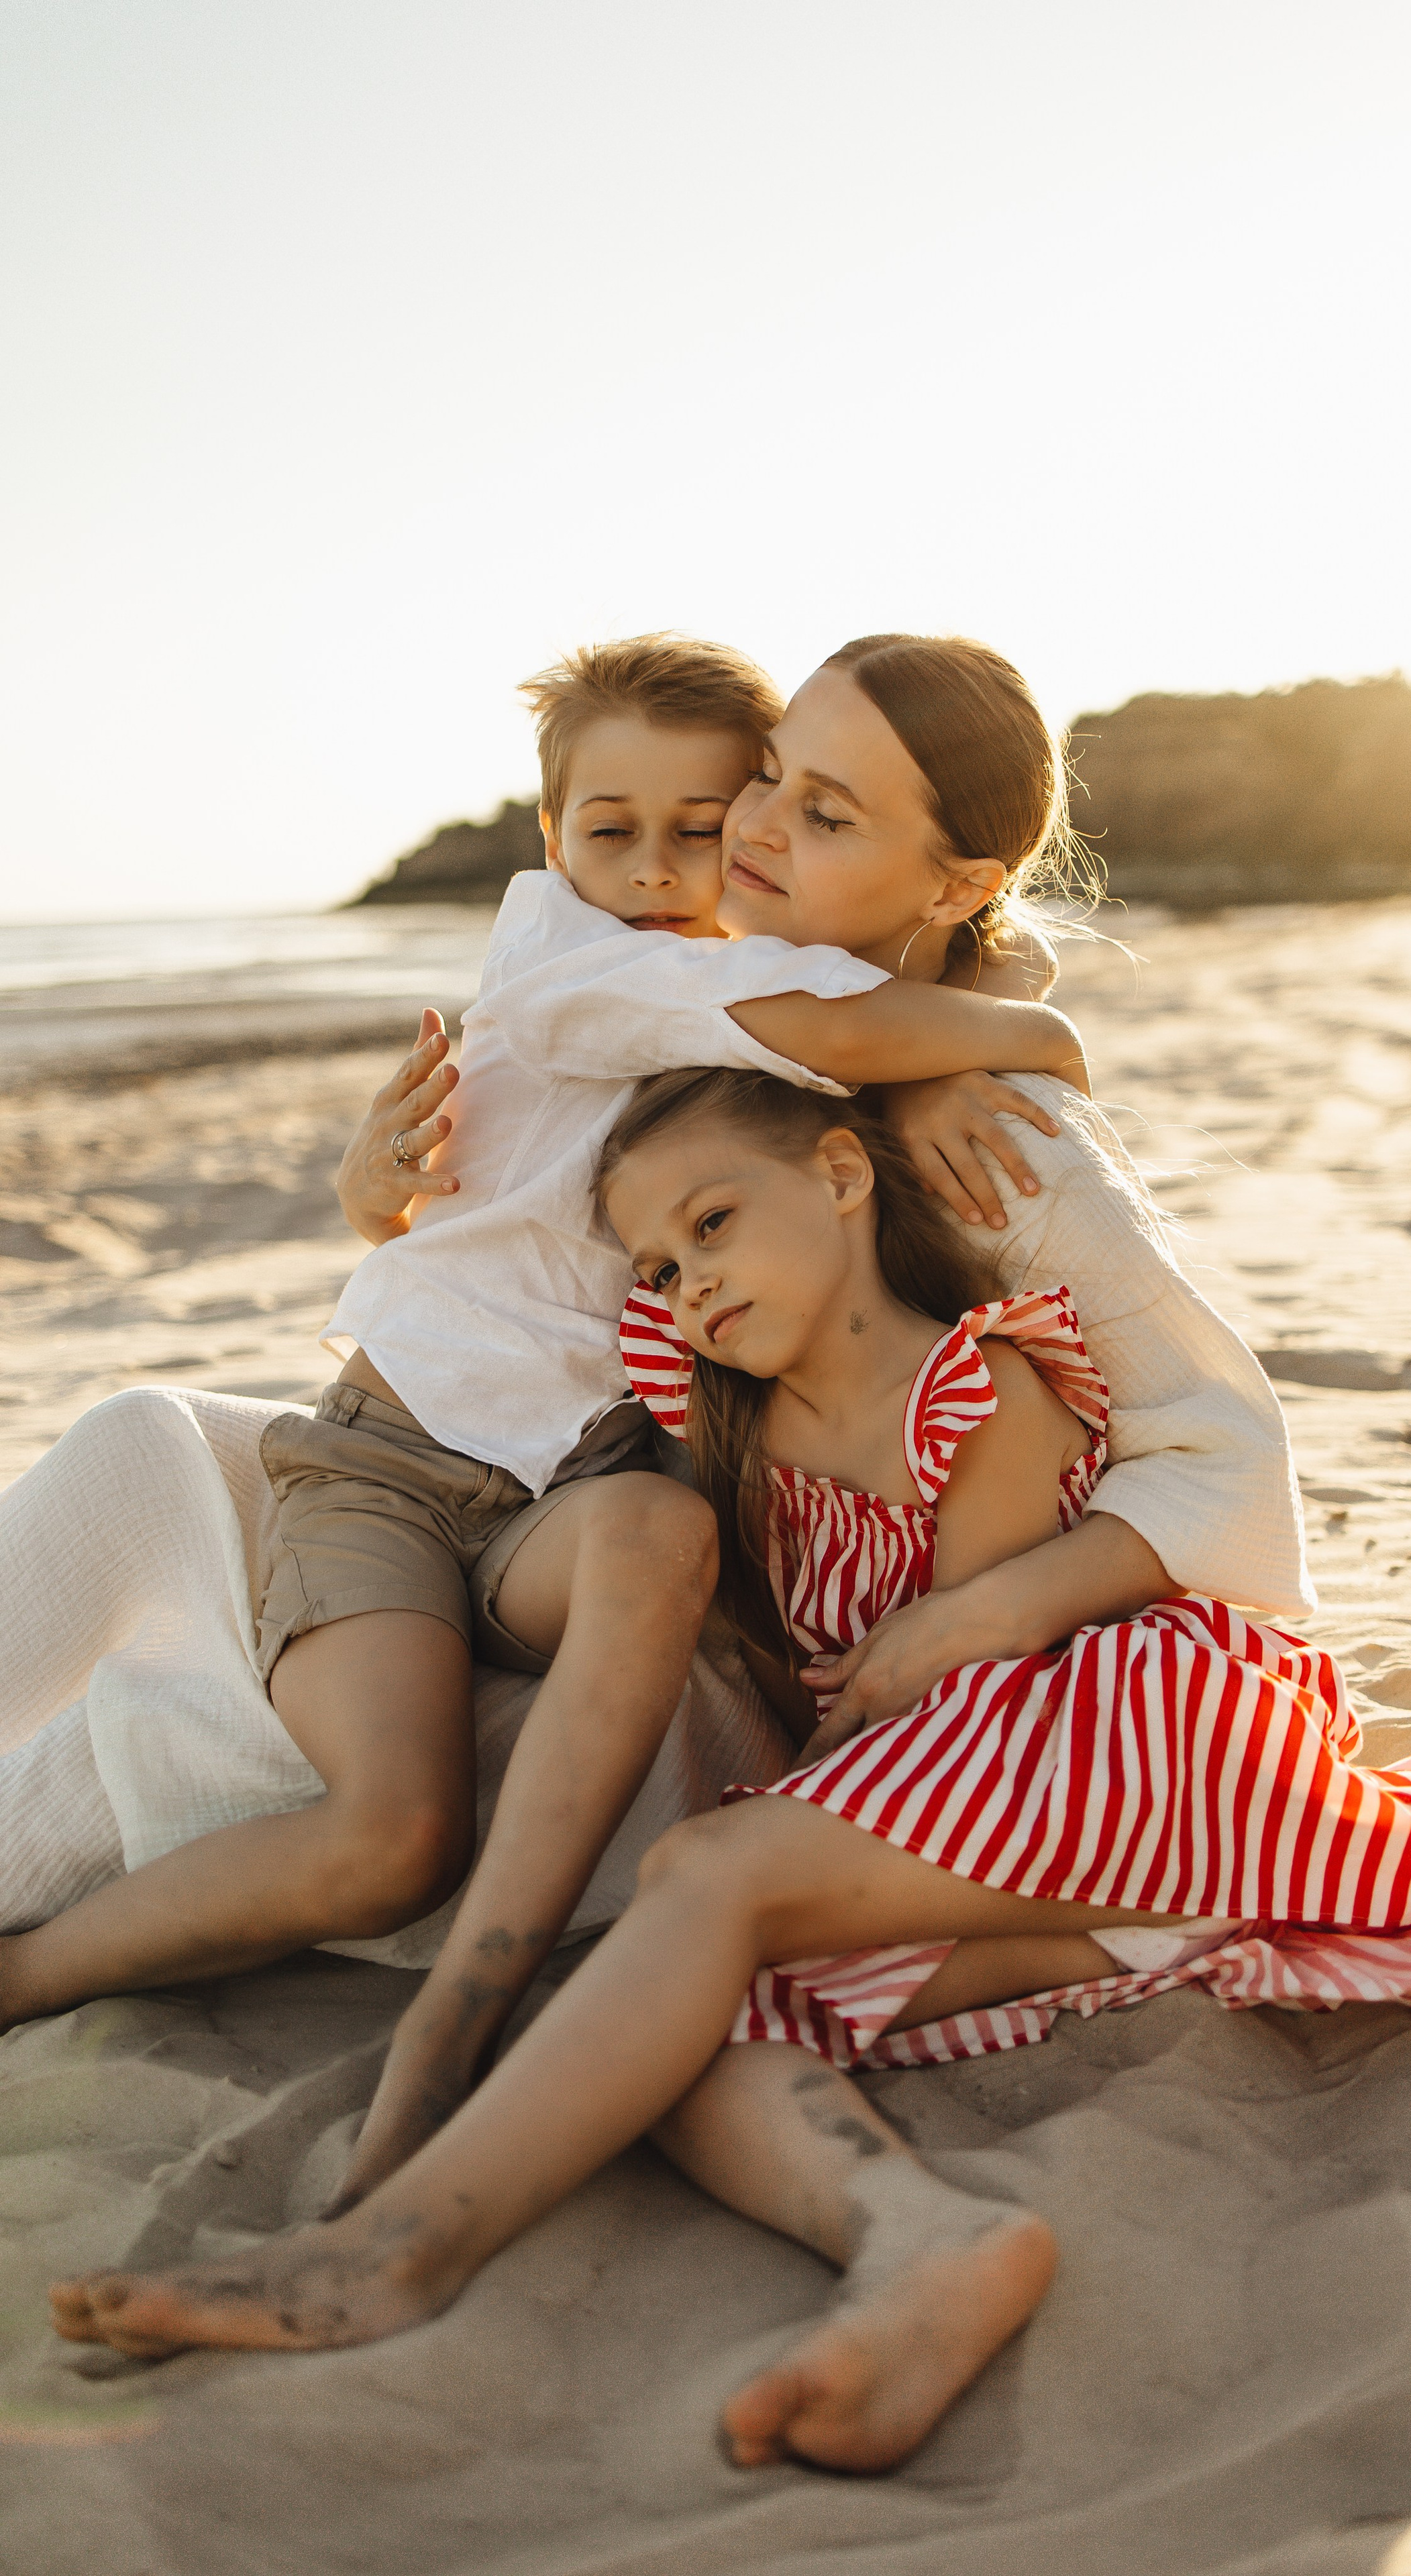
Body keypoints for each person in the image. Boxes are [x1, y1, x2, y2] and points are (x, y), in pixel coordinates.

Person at [51, 1067, 1411, 2477]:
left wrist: (775, 1821)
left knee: (709, 1891)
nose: (688, 1282)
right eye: (656, 1261)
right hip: (986, 1811)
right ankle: (917, 2238)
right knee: (671, 2009)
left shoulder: (979, 1381)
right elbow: (811, 1685)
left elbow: (969, 1681)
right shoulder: (733, 1441)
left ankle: (396, 2253)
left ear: (841, 1174)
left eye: (713, 1222)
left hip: (1126, 1725)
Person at [0, 633, 1087, 2031]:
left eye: (697, 830)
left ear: (751, 815)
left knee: (638, 1630)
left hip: (569, 1495)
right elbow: (857, 1019)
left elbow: (981, 960)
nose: (648, 870)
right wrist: (999, 1044)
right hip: (397, 1461)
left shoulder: (753, 973)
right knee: (385, 1830)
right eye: (606, 830)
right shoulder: (578, 957)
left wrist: (963, 1034)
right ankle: (31, 1969)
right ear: (547, 838)